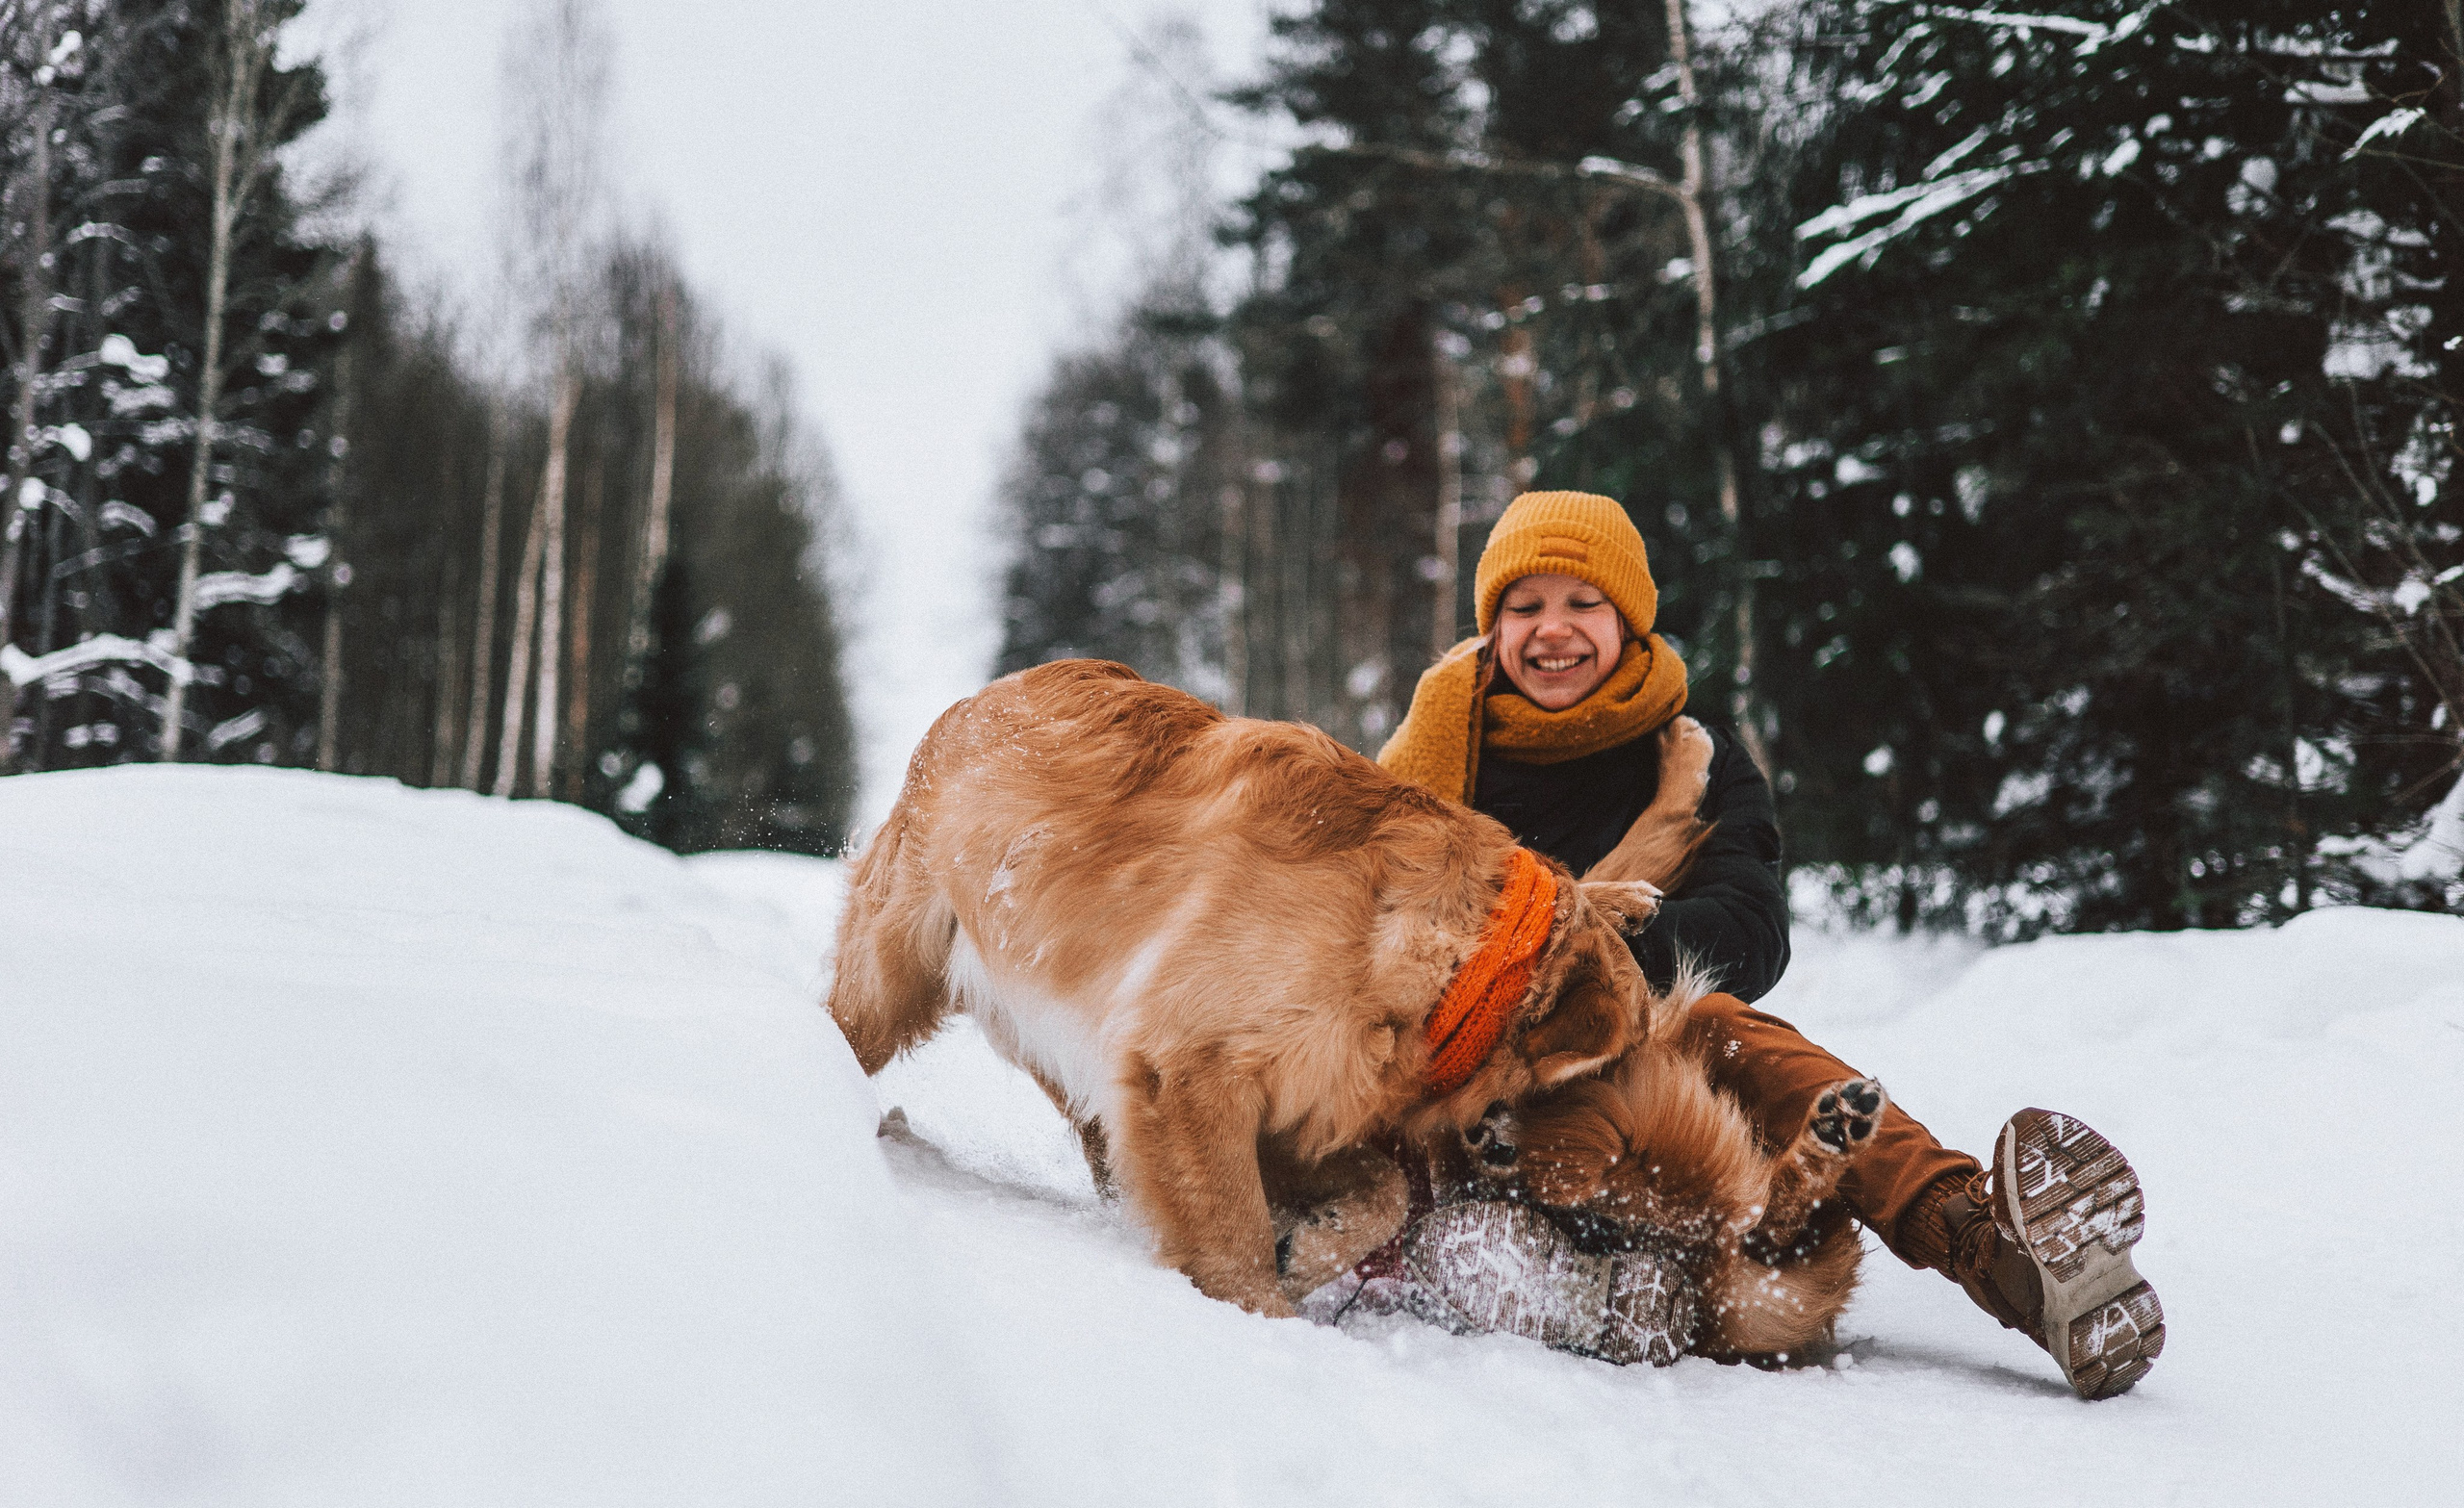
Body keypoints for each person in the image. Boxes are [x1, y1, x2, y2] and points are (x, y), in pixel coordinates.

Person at [1356, 490, 2165, 1400]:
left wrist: (1575, 947)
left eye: (1583, 603)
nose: (1554, 631)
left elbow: (1748, 934)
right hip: (1469, 1091)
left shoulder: (1692, 755)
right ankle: (1620, 1284)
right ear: (1491, 625)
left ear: (1628, 615)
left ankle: (1990, 1245)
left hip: (1638, 1054)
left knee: (1727, 1024)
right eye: (1524, 606)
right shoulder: (1433, 759)